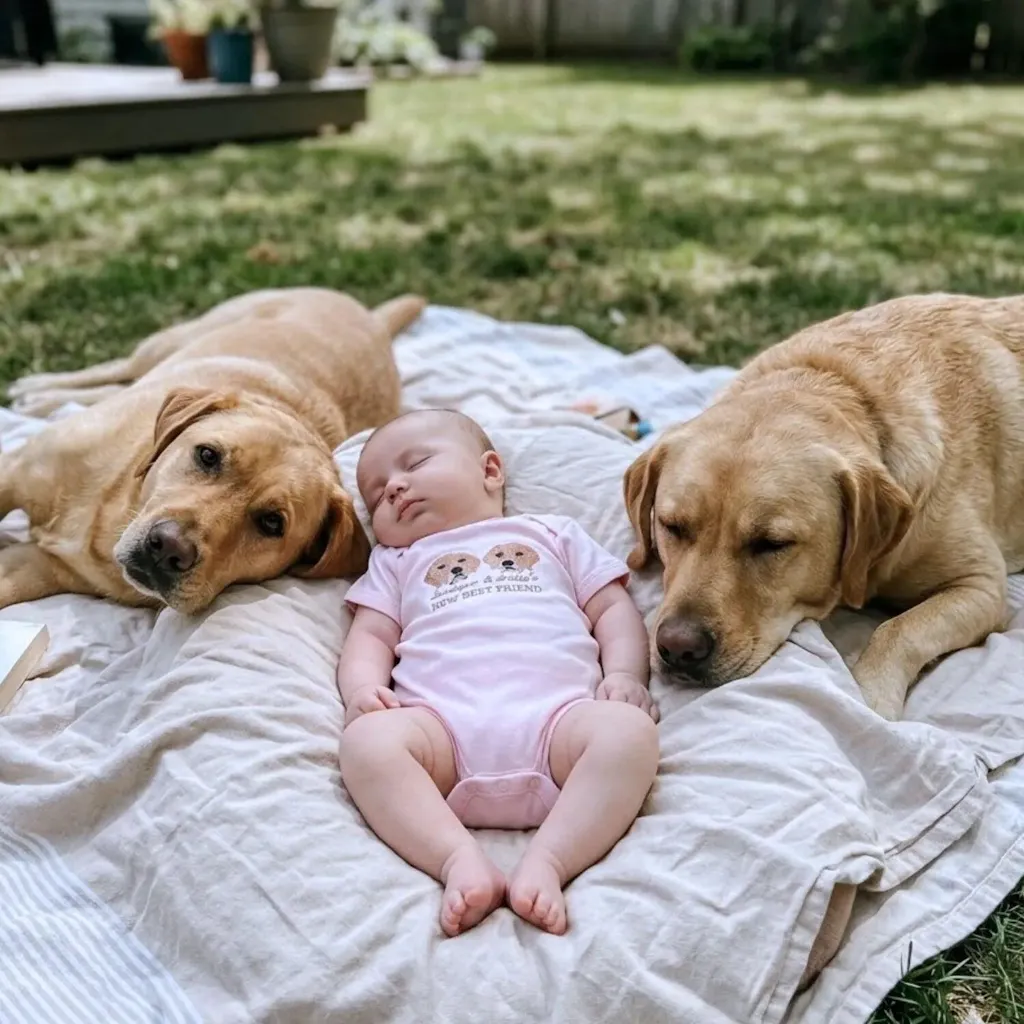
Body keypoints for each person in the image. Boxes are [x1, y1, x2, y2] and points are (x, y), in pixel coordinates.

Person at [338, 409, 660, 937]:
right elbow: (370, 636)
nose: (393, 488)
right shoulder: (397, 563)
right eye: (375, 496)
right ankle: (456, 859)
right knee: (366, 746)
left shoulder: (552, 534)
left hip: (561, 730)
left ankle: (551, 860)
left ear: (490, 471)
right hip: (439, 739)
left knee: (629, 734)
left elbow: (613, 610)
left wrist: (625, 675)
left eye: (414, 464)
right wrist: (361, 690)